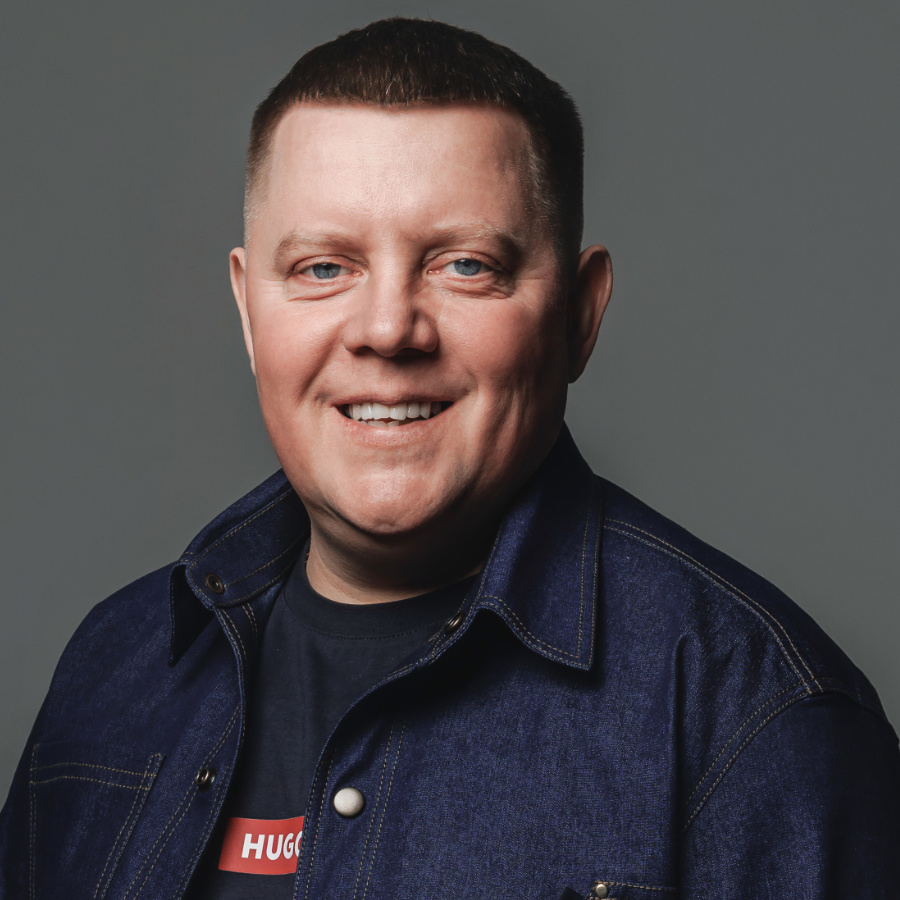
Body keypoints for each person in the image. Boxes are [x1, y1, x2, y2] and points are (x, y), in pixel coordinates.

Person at [1, 16, 898, 900]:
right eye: (323, 268)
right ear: (247, 310)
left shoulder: (755, 715)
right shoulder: (113, 671)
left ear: (581, 316)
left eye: (464, 265)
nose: (389, 328)